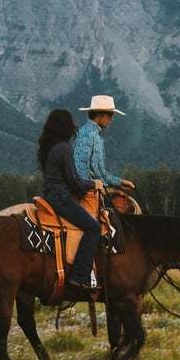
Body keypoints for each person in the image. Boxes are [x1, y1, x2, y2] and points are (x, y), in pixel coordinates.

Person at [37, 108, 100, 297]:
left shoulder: (49, 148)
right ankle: (80, 276)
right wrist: (93, 184)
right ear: (66, 127)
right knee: (93, 228)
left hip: (50, 196)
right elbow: (73, 181)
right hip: (61, 198)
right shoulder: (64, 148)